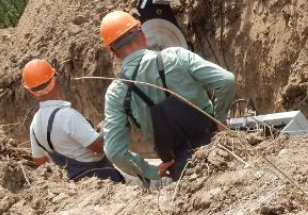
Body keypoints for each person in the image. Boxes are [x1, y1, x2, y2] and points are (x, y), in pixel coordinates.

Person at [99, 11, 236, 183]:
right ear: (142, 33)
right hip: (219, 149)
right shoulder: (176, 56)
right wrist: (220, 121)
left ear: (113, 52)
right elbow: (226, 80)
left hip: (182, 170)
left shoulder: (116, 92)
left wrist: (151, 171)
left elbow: (114, 152)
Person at [23, 58, 124, 183]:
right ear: (55, 79)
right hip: (101, 177)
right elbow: (99, 147)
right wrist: (105, 128)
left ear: (31, 92)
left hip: (74, 184)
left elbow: (39, 161)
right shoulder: (67, 116)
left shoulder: (34, 125)